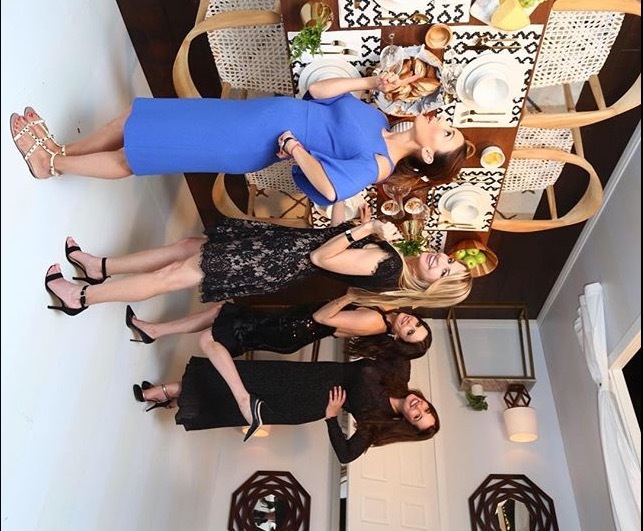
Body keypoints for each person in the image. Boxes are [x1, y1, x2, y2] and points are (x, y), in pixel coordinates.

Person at [10, 72, 472, 205]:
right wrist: (370, 82)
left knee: (140, 154)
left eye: (446, 131)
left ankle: (51, 164)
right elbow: (318, 92)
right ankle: (62, 149)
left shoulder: (379, 165)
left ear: (428, 151)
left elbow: (331, 190)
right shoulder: (377, 119)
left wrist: (296, 149)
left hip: (243, 143)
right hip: (246, 115)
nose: (440, 120)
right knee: (142, 115)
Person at [43, 217, 471, 316]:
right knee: (188, 247)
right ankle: (99, 266)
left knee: (172, 276)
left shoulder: (389, 264)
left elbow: (322, 258)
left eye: (444, 272)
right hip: (278, 250)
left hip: (273, 259)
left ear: (431, 287)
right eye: (450, 260)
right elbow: (332, 244)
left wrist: (368, 228)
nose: (442, 260)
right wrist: (355, 221)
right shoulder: (394, 260)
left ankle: (82, 296)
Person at [134, 347, 440, 463]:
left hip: (300, 404)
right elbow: (407, 345)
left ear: (406, 424)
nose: (419, 408)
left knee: (237, 398)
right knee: (243, 375)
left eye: (417, 417)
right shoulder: (399, 375)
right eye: (426, 409)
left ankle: (161, 392)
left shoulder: (377, 422)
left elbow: (346, 454)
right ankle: (172, 398)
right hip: (299, 375)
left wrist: (331, 417)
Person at [124, 294, 433, 363]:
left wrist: (350, 295)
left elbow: (323, 318)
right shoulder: (383, 317)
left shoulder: (375, 322)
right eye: (417, 324)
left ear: (398, 339)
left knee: (221, 321)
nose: (411, 323)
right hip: (290, 327)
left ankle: (153, 331)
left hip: (287, 329)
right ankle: (154, 331)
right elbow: (335, 329)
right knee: (220, 312)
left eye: (410, 332)